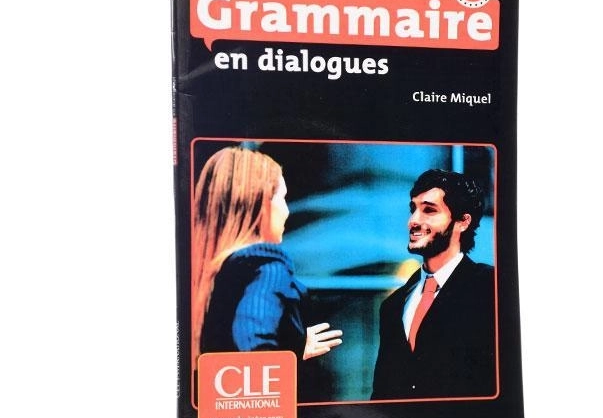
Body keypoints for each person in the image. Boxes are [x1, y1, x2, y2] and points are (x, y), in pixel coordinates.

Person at [191, 146, 343, 371]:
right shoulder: (266, 266)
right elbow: (252, 351)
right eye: (282, 198)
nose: (287, 211)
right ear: (261, 203)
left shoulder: (202, 273)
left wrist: (292, 346)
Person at [371, 169, 496, 400]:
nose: (413, 221)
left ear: (463, 221)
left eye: (429, 210)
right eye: (413, 209)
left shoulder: (490, 288)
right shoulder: (392, 306)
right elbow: (381, 395)